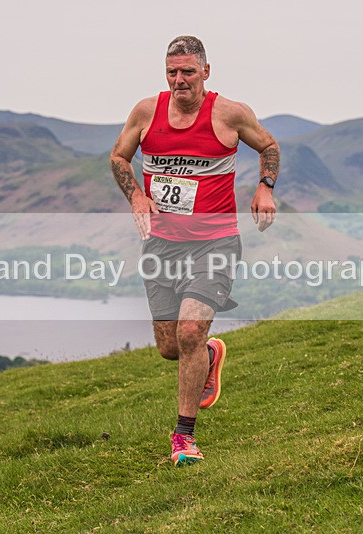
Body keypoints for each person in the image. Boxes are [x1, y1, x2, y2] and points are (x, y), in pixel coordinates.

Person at [109, 35, 279, 466]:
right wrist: (136, 197)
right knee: (171, 346)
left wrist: (264, 188)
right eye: (172, 72)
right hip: (162, 245)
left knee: (188, 331)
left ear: (205, 71)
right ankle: (208, 355)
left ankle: (183, 438)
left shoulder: (230, 114)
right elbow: (118, 158)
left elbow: (270, 146)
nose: (179, 80)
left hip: (215, 242)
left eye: (187, 71)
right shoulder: (147, 112)